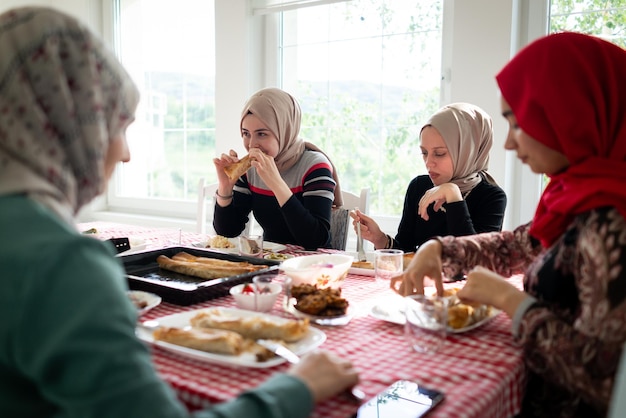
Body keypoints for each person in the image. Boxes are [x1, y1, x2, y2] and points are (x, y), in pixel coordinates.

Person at [0, 7, 358, 418]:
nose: (126, 153)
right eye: (117, 126)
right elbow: (228, 227)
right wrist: (298, 388)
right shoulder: (63, 266)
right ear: (63, 125)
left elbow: (316, 238)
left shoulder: (313, 164)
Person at [391, 32, 626, 417]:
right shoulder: (578, 195)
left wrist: (511, 301)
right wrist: (440, 248)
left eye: (520, 124)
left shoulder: (613, 221)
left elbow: (605, 380)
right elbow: (516, 245)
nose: (509, 145)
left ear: (570, 116)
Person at [351, 102, 506, 253]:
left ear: (467, 151)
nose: (428, 163)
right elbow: (406, 251)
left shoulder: (492, 197)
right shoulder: (419, 186)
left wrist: (453, 194)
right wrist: (379, 239)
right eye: (424, 152)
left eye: (439, 153)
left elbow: (474, 261)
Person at [212, 87, 342, 250]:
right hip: (269, 262)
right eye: (246, 133)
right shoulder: (250, 169)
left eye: (262, 134)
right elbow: (228, 232)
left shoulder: (315, 166)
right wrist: (225, 188)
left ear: (285, 130)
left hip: (312, 266)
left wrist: (275, 183)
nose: (252, 144)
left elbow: (315, 240)